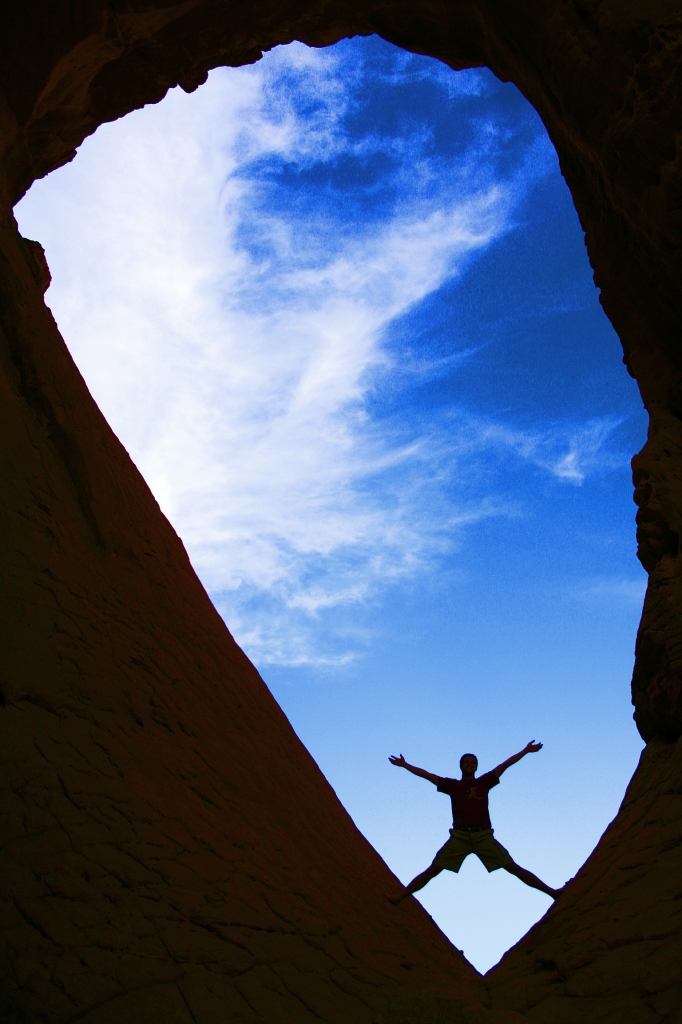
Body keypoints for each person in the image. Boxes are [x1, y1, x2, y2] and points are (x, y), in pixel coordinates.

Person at [387, 741, 562, 904]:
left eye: (472, 762)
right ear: (461, 766)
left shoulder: (484, 782)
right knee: (433, 870)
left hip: (483, 836)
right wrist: (405, 765)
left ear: (476, 766)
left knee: (513, 867)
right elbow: (428, 776)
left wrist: (525, 751)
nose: (469, 764)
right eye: (466, 762)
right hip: (460, 837)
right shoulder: (452, 785)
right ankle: (399, 897)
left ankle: (552, 893)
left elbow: (505, 765)